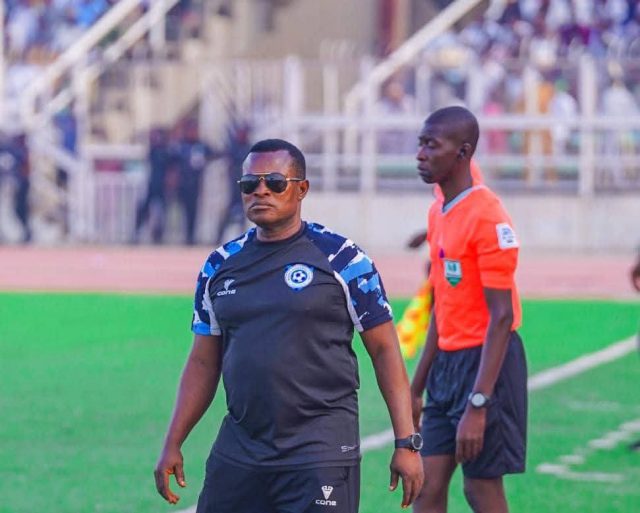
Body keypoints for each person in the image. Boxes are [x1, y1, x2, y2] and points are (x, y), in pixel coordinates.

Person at [154, 138, 424, 513]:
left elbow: (384, 349)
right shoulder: (219, 265)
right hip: (242, 447)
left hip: (320, 450)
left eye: (275, 182)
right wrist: (173, 441)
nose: (261, 191)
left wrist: (406, 442)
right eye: (250, 183)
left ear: (301, 189)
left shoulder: (343, 259)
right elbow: (203, 361)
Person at [410, 106, 527, 513]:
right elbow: (441, 306)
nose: (420, 154)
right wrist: (416, 388)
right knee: (425, 487)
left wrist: (478, 404)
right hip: (447, 366)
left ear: (462, 153)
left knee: (479, 490)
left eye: (431, 145)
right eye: (420, 144)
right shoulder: (438, 211)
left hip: (487, 365)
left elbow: (502, 316)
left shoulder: (488, 216)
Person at [174, 119, 220, 245]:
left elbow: (215, 153)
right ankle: (182, 234)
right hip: (183, 183)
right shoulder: (181, 145)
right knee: (182, 210)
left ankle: (191, 236)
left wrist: (206, 159)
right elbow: (173, 161)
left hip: (196, 183)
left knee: (194, 210)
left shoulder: (201, 145)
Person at [133, 127, 172, 244]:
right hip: (152, 184)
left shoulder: (167, 152)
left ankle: (158, 235)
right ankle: (137, 231)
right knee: (145, 209)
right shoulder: (153, 151)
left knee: (162, 211)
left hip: (162, 185)